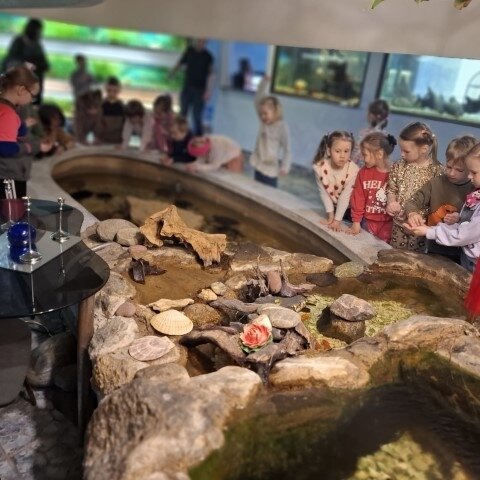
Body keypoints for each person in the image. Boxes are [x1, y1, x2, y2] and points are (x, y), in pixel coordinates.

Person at [407, 141, 480, 272]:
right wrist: (412, 213)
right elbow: (413, 201)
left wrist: (429, 231)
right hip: (436, 246)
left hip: (460, 253)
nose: (451, 173)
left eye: (459, 170)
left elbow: (465, 232)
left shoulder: (473, 189)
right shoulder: (436, 183)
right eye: (449, 167)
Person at [386, 121, 443, 251]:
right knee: (394, 256)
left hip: (419, 228)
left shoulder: (436, 171)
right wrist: (391, 203)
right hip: (399, 224)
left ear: (423, 149)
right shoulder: (399, 165)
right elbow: (391, 189)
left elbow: (437, 202)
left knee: (415, 260)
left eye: (406, 151)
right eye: (401, 150)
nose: (402, 154)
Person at [0, 65, 51, 198]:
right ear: (22, 90)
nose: (31, 101)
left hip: (6, 175)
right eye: (32, 96)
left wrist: (22, 125)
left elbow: (14, 130)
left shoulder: (5, 108)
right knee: (12, 211)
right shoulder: (8, 113)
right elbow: (5, 148)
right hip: (8, 176)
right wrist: (32, 147)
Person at [346, 132, 395, 242]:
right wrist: (356, 222)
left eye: (365, 155)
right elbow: (358, 198)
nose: (363, 159)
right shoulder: (363, 173)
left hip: (388, 224)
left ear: (379, 154)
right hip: (367, 222)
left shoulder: (395, 173)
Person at [313, 131, 359, 232]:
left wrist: (337, 221)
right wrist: (330, 217)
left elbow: (345, 197)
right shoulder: (320, 168)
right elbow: (324, 193)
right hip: (334, 207)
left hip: (349, 210)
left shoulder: (353, 171)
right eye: (337, 151)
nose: (342, 155)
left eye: (346, 151)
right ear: (329, 151)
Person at [250, 76, 291, 187]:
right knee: (256, 190)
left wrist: (285, 166)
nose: (262, 116)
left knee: (268, 193)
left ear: (275, 111)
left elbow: (287, 150)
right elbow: (257, 100)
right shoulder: (264, 123)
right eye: (261, 114)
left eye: (265, 114)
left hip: (271, 171)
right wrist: (263, 83)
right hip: (258, 166)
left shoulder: (282, 127)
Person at [171, 38, 214, 136]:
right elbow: (180, 63)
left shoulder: (208, 57)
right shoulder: (189, 51)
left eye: (203, 41)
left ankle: (199, 137)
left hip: (200, 90)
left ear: (205, 42)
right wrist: (173, 72)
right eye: (199, 41)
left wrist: (208, 90)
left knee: (197, 116)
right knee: (183, 113)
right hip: (187, 87)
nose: (200, 43)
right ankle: (179, 135)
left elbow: (210, 74)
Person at [2, 19, 49, 104]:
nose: (38, 34)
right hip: (20, 81)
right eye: (37, 31)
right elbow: (12, 60)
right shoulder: (19, 42)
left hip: (33, 81)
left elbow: (45, 65)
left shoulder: (37, 45)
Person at [353, 99, 390, 164]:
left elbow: (357, 155)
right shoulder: (386, 136)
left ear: (374, 115)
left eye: (369, 112)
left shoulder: (367, 133)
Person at [99, 76, 124, 145]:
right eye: (109, 90)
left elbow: (124, 125)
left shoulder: (122, 106)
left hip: (118, 141)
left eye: (115, 91)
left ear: (119, 90)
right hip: (102, 140)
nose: (112, 93)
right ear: (105, 89)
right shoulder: (100, 105)